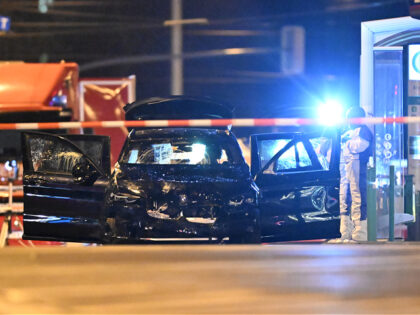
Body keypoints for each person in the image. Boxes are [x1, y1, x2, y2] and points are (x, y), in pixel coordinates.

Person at [331, 106, 373, 243]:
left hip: (357, 168)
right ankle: (345, 232)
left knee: (358, 199)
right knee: (345, 199)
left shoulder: (363, 130)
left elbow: (362, 145)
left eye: (349, 117)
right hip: (348, 169)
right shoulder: (350, 131)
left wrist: (347, 143)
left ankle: (360, 233)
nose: (347, 120)